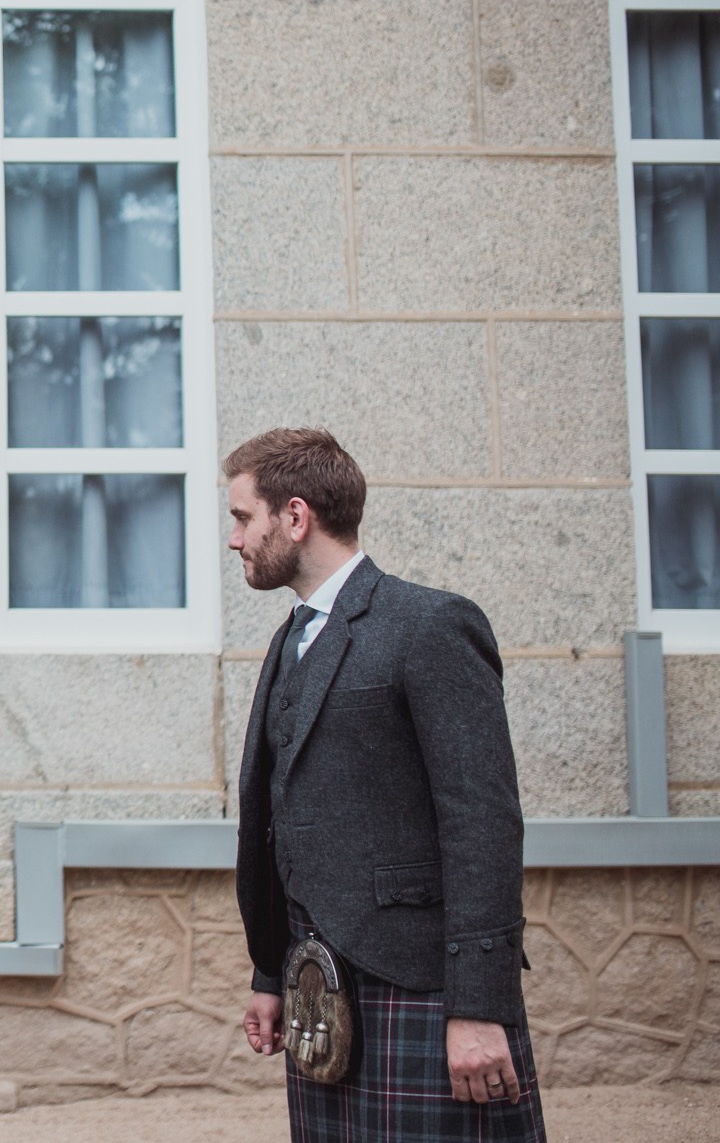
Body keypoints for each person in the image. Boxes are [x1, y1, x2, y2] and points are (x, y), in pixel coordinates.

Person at [225, 428, 548, 1142]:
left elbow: (483, 820)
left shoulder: (429, 625)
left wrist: (480, 1004)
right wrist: (272, 972)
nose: (234, 538)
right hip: (323, 988)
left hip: (421, 989)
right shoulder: (293, 636)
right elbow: (285, 817)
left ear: (296, 516)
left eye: (243, 517)